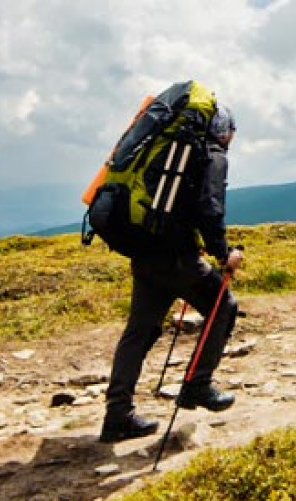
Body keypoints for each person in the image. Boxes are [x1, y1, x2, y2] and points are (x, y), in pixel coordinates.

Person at [100, 103, 243, 443]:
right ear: (225, 131)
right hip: (178, 257)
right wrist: (225, 254)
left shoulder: (166, 149)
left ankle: (117, 415)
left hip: (145, 252)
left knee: (139, 331)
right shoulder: (210, 154)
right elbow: (210, 208)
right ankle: (197, 385)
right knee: (223, 306)